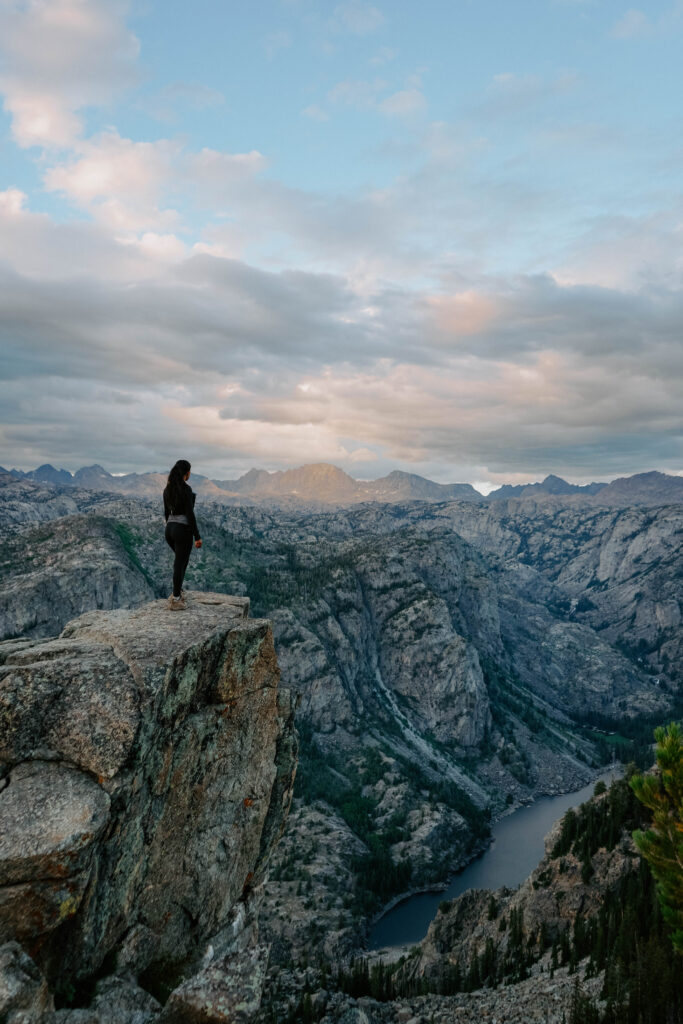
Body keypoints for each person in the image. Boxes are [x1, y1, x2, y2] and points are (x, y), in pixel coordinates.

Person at [163, 459, 202, 610]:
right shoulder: (186, 490)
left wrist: (171, 528)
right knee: (180, 563)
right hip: (182, 530)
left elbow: (167, 513)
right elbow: (190, 515)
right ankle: (176, 599)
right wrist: (197, 536)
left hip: (170, 529)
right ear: (186, 473)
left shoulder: (167, 490)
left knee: (182, 561)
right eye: (189, 471)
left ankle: (177, 592)